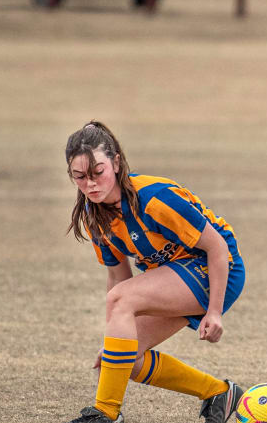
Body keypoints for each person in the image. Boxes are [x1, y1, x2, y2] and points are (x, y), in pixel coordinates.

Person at [63, 121, 246, 423]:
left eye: (98, 172)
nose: (90, 184)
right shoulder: (92, 215)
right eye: (80, 177)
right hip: (173, 275)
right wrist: (114, 341)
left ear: (117, 162)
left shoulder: (154, 198)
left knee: (122, 307)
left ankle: (106, 414)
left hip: (216, 269)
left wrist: (214, 312)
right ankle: (220, 394)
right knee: (128, 360)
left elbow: (217, 248)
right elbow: (118, 278)